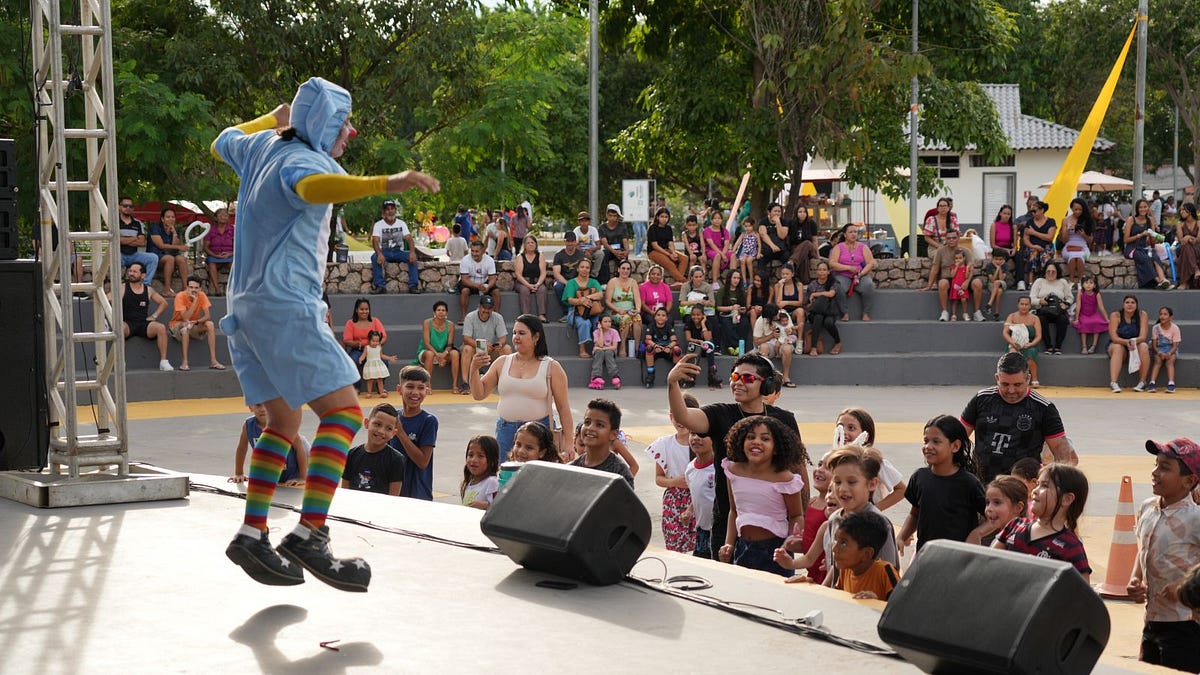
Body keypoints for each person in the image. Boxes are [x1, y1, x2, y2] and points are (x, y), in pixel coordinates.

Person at [214, 77, 439, 591]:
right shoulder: (306, 163)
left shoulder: (261, 145)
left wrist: (269, 121)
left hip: (243, 308)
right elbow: (312, 188)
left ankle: (252, 532)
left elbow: (221, 138)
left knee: (283, 422)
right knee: (343, 414)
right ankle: (311, 532)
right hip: (284, 304)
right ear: (319, 125)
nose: (351, 132)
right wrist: (384, 183)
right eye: (343, 122)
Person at [668, 352, 811, 559]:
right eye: (735, 377)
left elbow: (798, 471)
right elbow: (684, 416)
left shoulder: (784, 419)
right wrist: (672, 384)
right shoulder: (719, 414)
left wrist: (800, 522)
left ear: (766, 385)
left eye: (748, 378)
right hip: (728, 524)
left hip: (776, 530)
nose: (738, 383)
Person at [775, 445, 898, 585]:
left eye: (852, 482)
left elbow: (889, 575)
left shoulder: (879, 524)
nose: (843, 489)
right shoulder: (834, 520)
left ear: (872, 484)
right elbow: (835, 569)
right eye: (837, 482)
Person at [1127, 438, 1200, 672]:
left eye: (1165, 468)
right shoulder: (1147, 508)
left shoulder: (1195, 519)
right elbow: (1143, 549)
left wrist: (1183, 585)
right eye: (1156, 465)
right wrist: (1135, 579)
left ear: (1188, 481)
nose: (1155, 472)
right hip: (1151, 620)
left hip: (1185, 624)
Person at [470, 314, 573, 462]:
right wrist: (474, 369)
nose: (516, 337)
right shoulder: (502, 362)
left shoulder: (552, 366)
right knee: (506, 478)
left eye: (522, 333)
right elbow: (478, 394)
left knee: (537, 478)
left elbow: (563, 408)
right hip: (506, 431)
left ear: (536, 336)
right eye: (514, 333)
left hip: (539, 433)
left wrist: (569, 443)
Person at [959, 352, 1074, 482]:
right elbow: (957, 436)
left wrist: (1058, 483)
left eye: (1017, 385)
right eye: (1005, 384)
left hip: (1022, 488)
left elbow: (1060, 447)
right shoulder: (981, 399)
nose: (1011, 391)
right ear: (997, 378)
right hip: (980, 482)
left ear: (1028, 379)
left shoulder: (1044, 408)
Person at [716, 415, 805, 577]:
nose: (756, 442)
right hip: (743, 547)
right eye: (750, 437)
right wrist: (729, 543)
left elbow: (796, 515)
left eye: (765, 439)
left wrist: (790, 542)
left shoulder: (785, 478)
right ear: (741, 442)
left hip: (775, 550)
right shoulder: (733, 471)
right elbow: (734, 511)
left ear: (776, 448)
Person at [897, 415, 986, 555]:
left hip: (959, 559)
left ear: (955, 446)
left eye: (936, 442)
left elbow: (992, 517)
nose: (928, 447)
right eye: (926, 441)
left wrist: (977, 533)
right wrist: (901, 536)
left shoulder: (969, 483)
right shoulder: (919, 477)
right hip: (926, 556)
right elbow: (915, 514)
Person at [993, 464, 1091, 582]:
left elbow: (1083, 596)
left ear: (1067, 499)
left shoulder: (1071, 547)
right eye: (1037, 484)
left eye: (1044, 485)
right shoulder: (1014, 526)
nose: (1034, 490)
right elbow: (987, 562)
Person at [645, 393, 700, 553]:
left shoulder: (702, 443)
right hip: (673, 500)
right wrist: (675, 482)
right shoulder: (664, 445)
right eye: (677, 416)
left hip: (697, 498)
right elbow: (659, 478)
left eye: (685, 415)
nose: (681, 421)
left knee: (698, 543)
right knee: (674, 544)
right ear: (671, 417)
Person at [833, 407, 907, 512]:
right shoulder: (833, 459)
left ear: (866, 436)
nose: (844, 432)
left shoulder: (874, 462)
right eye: (840, 427)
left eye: (851, 428)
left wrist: (873, 510)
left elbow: (902, 490)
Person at [228, 403, 309, 487]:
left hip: (292, 473)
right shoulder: (248, 425)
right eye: (258, 405)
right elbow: (242, 449)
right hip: (268, 475)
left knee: (302, 442)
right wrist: (239, 473)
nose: (262, 409)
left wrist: (302, 477)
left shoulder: (284, 423)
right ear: (250, 407)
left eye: (266, 405)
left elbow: (299, 449)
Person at [389, 366, 439, 500]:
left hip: (418, 494)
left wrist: (400, 433)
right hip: (395, 492)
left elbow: (423, 462)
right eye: (410, 387)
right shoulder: (392, 418)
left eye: (421, 388)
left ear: (427, 391)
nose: (415, 392)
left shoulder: (428, 421)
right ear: (399, 389)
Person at [113, 261, 173, 371]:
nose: (131, 273)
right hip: (127, 324)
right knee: (120, 328)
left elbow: (164, 303)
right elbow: (106, 299)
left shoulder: (148, 290)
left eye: (135, 272)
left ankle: (164, 362)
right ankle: (120, 362)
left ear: (143, 275)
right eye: (130, 271)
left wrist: (154, 316)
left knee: (161, 328)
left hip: (143, 324)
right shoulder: (123, 287)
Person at [830, 511, 901, 601]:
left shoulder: (885, 571)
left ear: (866, 554)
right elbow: (836, 599)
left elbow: (902, 607)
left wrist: (876, 602)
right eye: (836, 541)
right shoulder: (845, 569)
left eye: (843, 544)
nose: (834, 549)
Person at [342, 403, 407, 496]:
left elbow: (393, 498)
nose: (381, 431)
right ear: (366, 423)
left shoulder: (396, 460)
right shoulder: (352, 455)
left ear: (394, 433)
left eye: (388, 428)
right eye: (377, 424)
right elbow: (345, 492)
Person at [570, 398, 635, 488]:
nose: (590, 428)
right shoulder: (572, 468)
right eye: (587, 422)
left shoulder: (619, 474)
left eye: (599, 425)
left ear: (613, 434)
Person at [923, 230, 984, 322]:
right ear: (946, 239)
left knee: (978, 283)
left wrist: (967, 282)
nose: (951, 240)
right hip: (949, 278)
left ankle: (977, 312)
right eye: (949, 238)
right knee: (942, 283)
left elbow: (970, 268)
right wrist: (928, 286)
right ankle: (944, 312)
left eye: (954, 238)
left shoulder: (966, 251)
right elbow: (935, 269)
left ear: (958, 238)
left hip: (964, 278)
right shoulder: (940, 251)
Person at [169, 275, 225, 371]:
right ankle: (185, 362)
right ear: (187, 287)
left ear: (200, 289)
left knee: (210, 324)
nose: (193, 290)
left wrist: (197, 321)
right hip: (177, 326)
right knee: (186, 325)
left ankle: (213, 361)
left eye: (196, 288)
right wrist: (194, 301)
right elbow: (185, 317)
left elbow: (208, 316)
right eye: (191, 287)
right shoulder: (180, 296)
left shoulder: (202, 295)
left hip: (193, 325)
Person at [369, 199, 421, 294]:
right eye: (387, 209)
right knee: (374, 257)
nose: (390, 211)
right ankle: (380, 286)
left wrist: (412, 252)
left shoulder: (401, 223)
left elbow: (409, 239)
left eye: (392, 208)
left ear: (395, 210)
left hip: (398, 252)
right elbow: (375, 241)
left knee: (413, 257)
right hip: (385, 252)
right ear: (384, 212)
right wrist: (379, 253)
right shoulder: (378, 225)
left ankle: (413, 285)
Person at [827, 224, 876, 321]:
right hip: (843, 275)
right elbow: (832, 263)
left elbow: (871, 263)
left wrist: (860, 274)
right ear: (845, 234)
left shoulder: (863, 247)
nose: (853, 234)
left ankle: (866, 313)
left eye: (855, 232)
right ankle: (844, 313)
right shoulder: (839, 247)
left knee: (869, 285)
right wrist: (848, 268)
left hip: (860, 275)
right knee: (838, 286)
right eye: (851, 232)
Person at [461, 295, 511, 386]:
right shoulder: (470, 317)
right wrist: (481, 345)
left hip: (491, 349)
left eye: (489, 308)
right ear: (479, 306)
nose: (486, 310)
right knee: (467, 349)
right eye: (484, 307)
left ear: (493, 308)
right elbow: (466, 339)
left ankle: (506, 380)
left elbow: (503, 338)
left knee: (506, 348)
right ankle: (465, 382)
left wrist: (499, 343)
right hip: (474, 349)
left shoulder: (498, 317)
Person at [1123, 199, 1173, 290]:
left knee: (1154, 255)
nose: (1143, 209)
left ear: (1148, 208)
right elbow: (1126, 240)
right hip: (1133, 248)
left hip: (1145, 247)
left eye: (1145, 207)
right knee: (1145, 258)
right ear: (1137, 209)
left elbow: (1152, 243)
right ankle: (1159, 281)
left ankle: (1163, 279)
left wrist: (1155, 239)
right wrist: (1140, 235)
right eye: (1140, 207)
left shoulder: (1150, 220)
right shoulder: (1131, 219)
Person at [966, 475, 1028, 547]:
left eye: (997, 502)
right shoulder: (1000, 538)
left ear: (1018, 508)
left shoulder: (1019, 539)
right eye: (987, 503)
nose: (989, 508)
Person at [1108, 294, 1151, 393]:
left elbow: (1143, 336)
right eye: (1127, 302)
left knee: (1144, 346)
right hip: (1119, 344)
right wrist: (1126, 342)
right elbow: (1114, 338)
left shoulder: (1142, 315)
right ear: (1123, 304)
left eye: (1132, 302)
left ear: (1137, 305)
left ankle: (1142, 382)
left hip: (1135, 344)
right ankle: (1113, 382)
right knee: (1118, 347)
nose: (1130, 305)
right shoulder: (1115, 315)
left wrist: (1133, 342)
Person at [416, 300, 460, 394]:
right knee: (430, 354)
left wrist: (444, 354)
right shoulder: (427, 323)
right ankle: (428, 385)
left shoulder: (451, 325)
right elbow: (427, 343)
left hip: (443, 353)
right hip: (427, 351)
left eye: (443, 310)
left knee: (455, 353)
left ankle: (455, 385)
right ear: (434, 312)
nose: (441, 312)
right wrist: (438, 355)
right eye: (438, 310)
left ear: (447, 313)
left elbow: (450, 344)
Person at [562, 258, 604, 359]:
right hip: (575, 312)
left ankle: (598, 348)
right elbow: (570, 299)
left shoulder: (593, 282)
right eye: (582, 267)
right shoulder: (571, 282)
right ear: (578, 269)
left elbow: (600, 294)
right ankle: (582, 349)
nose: (584, 269)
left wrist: (587, 298)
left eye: (587, 267)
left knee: (596, 324)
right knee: (585, 323)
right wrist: (580, 301)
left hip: (592, 311)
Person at [1029, 262, 1073, 355]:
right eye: (1048, 271)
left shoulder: (1062, 282)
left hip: (1058, 310)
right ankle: (1048, 346)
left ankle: (1058, 346)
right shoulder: (1039, 281)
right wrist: (1040, 301)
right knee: (1041, 319)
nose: (1051, 273)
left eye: (1053, 271)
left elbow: (1070, 297)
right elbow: (1031, 298)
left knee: (1063, 319)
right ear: (1045, 272)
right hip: (1043, 309)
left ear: (1057, 272)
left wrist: (1065, 304)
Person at [685, 430, 716, 559]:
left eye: (702, 435)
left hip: (719, 531)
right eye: (693, 434)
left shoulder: (719, 468)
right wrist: (689, 510)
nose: (696, 438)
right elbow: (697, 494)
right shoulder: (690, 468)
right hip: (702, 531)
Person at [751, 303, 797, 387]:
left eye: (778, 313)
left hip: (783, 343)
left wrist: (791, 332)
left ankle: (786, 378)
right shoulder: (761, 320)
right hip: (770, 345)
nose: (778, 317)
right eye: (775, 316)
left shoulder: (784, 315)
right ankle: (766, 378)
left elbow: (794, 331)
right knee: (763, 347)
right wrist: (771, 336)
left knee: (787, 349)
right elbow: (756, 341)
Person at [342, 298, 386, 385]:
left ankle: (380, 388)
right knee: (353, 361)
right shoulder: (350, 323)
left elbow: (383, 336)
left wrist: (375, 345)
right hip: (357, 350)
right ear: (356, 310)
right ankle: (356, 387)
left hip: (373, 350)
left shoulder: (375, 321)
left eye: (367, 309)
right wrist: (361, 344)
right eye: (362, 309)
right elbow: (347, 340)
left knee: (384, 362)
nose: (364, 311)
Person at [148, 206, 190, 296]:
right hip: (156, 255)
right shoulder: (155, 228)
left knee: (181, 259)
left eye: (173, 217)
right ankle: (167, 289)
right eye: (168, 217)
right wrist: (179, 247)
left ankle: (185, 288)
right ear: (162, 219)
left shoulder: (175, 230)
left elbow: (175, 244)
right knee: (170, 259)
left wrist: (174, 233)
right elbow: (161, 245)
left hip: (171, 254)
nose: (171, 219)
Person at [117, 197, 159, 284]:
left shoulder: (138, 223)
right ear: (119, 207)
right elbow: (117, 241)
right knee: (115, 259)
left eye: (130, 206)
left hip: (134, 255)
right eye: (125, 206)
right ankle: (118, 285)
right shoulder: (114, 222)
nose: (128, 208)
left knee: (153, 258)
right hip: (119, 254)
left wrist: (124, 240)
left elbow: (142, 242)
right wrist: (134, 238)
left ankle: (146, 285)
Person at [1003, 296, 1043, 386]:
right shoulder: (1012, 316)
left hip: (1030, 344)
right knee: (1013, 354)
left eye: (1026, 304)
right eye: (1022, 304)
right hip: (1014, 343)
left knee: (1030, 353)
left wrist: (1031, 344)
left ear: (1030, 306)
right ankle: (1013, 380)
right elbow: (1005, 332)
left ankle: (1034, 379)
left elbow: (1038, 336)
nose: (1024, 306)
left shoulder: (1035, 318)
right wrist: (1012, 343)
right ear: (1018, 305)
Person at [458, 239, 500, 323]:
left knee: (496, 292)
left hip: (484, 282)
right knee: (465, 291)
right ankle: (463, 317)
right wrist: (477, 286)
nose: (474, 254)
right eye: (472, 251)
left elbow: (492, 278)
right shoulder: (465, 260)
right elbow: (464, 279)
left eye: (477, 251)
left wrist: (488, 287)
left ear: (483, 251)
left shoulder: (489, 260)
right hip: (469, 282)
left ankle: (496, 318)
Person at [1018, 201, 1056, 288]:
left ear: (1042, 210)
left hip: (1046, 247)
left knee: (1045, 257)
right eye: (1031, 211)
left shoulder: (1050, 222)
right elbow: (1026, 238)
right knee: (1033, 255)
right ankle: (1031, 283)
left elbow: (1049, 237)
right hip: (1033, 246)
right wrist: (1033, 246)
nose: (1033, 213)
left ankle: (1046, 281)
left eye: (1034, 211)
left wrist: (1034, 232)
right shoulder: (1030, 222)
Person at [605, 259, 643, 346]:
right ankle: (622, 346)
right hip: (615, 310)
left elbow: (637, 299)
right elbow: (607, 301)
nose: (625, 271)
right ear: (618, 269)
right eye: (623, 268)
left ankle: (636, 348)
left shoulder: (633, 282)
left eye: (628, 269)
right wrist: (618, 310)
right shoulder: (612, 282)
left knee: (637, 318)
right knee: (625, 319)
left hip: (630, 310)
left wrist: (637, 309)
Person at [551, 230, 586, 319]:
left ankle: (581, 311)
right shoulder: (559, 255)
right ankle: (566, 312)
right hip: (564, 281)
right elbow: (556, 274)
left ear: (575, 242)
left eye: (572, 241)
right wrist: (568, 283)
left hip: (577, 280)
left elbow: (583, 270)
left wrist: (576, 282)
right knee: (557, 286)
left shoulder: (580, 254)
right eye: (568, 241)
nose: (570, 243)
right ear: (565, 242)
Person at [683, 305, 720, 389]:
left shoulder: (707, 323)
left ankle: (712, 375)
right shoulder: (689, 322)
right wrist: (699, 341)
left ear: (703, 315)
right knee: (692, 346)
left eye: (698, 315)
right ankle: (690, 378)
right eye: (693, 315)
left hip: (705, 348)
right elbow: (688, 339)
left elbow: (708, 338)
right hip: (695, 346)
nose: (695, 317)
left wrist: (703, 324)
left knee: (709, 345)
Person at [646, 208, 687, 283]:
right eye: (662, 216)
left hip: (666, 250)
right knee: (670, 264)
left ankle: (678, 282)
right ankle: (684, 281)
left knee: (684, 258)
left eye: (666, 217)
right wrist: (669, 255)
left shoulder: (668, 228)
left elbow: (670, 243)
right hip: (654, 251)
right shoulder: (652, 228)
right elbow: (655, 245)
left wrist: (673, 252)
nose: (664, 219)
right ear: (657, 217)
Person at [643, 307, 680, 388]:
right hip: (656, 349)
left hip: (667, 349)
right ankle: (650, 375)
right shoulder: (651, 325)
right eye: (658, 315)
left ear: (666, 318)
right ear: (655, 317)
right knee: (649, 348)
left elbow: (674, 341)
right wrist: (655, 346)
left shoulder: (669, 326)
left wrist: (669, 347)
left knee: (677, 350)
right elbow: (647, 340)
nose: (660, 317)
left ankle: (676, 375)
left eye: (663, 315)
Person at [1060, 198, 1095, 285]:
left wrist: (1083, 234)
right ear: (1071, 208)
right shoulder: (1065, 220)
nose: (1078, 212)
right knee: (1073, 256)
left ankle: (1080, 281)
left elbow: (1090, 240)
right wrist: (1068, 230)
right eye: (1076, 209)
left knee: (1079, 257)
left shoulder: (1087, 220)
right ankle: (1071, 281)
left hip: (1083, 247)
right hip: (1069, 247)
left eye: (1080, 210)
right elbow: (1064, 240)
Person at [1071, 274, 1108, 355]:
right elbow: (1078, 306)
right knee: (1084, 323)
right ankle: (1084, 346)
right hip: (1083, 314)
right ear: (1082, 284)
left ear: (1094, 285)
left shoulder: (1096, 294)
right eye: (1086, 283)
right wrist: (1076, 319)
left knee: (1097, 322)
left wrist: (1106, 319)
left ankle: (1093, 346)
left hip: (1093, 314)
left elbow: (1101, 307)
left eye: (1091, 283)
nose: (1088, 285)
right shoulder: (1080, 293)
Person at [514, 235, 548, 321]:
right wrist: (528, 285)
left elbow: (543, 273)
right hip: (523, 282)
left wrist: (538, 284)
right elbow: (518, 275)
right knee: (524, 290)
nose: (530, 244)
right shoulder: (520, 256)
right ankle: (526, 316)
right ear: (524, 245)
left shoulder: (540, 255)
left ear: (536, 244)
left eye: (532, 242)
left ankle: (541, 315)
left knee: (542, 289)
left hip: (537, 281)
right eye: (528, 243)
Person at [461, 435, 500, 510]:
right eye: (470, 455)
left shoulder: (492, 482)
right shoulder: (469, 482)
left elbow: (499, 509)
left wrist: (487, 506)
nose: (474, 460)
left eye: (480, 456)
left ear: (492, 461)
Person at [1147, 306, 1181, 393]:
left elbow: (1175, 346)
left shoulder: (1175, 328)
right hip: (1159, 349)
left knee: (1169, 361)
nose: (1162, 316)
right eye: (1161, 314)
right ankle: (1152, 383)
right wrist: (1159, 353)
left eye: (1165, 314)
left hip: (1171, 349)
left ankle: (1171, 384)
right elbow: (1154, 345)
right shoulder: (1156, 328)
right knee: (1158, 361)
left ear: (1171, 317)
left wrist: (1169, 353)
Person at [714, 268, 748, 353]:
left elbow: (744, 306)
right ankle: (735, 346)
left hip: (738, 314)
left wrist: (742, 310)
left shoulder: (742, 291)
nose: (736, 280)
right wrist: (731, 308)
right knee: (727, 323)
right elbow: (718, 307)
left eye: (738, 278)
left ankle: (739, 346)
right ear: (730, 278)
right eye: (734, 278)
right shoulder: (722, 290)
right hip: (725, 313)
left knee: (744, 323)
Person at [203, 207, 234, 296]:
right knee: (211, 263)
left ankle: (233, 288)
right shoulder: (211, 230)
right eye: (220, 215)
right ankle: (217, 289)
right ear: (216, 218)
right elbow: (206, 248)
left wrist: (230, 254)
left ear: (228, 217)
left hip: (230, 255)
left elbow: (238, 246)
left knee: (234, 265)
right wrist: (216, 256)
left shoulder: (233, 230)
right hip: (214, 255)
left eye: (225, 215)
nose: (223, 217)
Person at [756, 203, 791, 280]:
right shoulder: (763, 221)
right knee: (761, 260)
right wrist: (772, 246)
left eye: (779, 211)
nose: (777, 213)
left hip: (781, 250)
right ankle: (763, 281)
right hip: (768, 249)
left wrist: (778, 223)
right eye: (775, 211)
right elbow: (763, 234)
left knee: (787, 258)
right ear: (769, 212)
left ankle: (787, 279)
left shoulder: (784, 222)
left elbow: (782, 236)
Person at [358, 330, 397, 398]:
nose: (375, 343)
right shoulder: (367, 348)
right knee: (370, 379)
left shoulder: (379, 347)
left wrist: (389, 358)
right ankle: (369, 392)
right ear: (369, 340)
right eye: (373, 341)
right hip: (370, 365)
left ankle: (381, 392)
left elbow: (382, 356)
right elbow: (364, 355)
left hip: (378, 365)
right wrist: (361, 359)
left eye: (377, 341)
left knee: (380, 379)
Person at [596, 204, 629, 284]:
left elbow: (625, 240)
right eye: (610, 215)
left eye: (614, 216)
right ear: (607, 215)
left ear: (617, 216)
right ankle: (604, 282)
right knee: (603, 255)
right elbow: (605, 243)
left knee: (623, 259)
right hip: (608, 249)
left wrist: (626, 251)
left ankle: (622, 279)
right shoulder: (602, 227)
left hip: (620, 249)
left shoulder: (622, 226)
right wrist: (614, 252)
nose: (612, 218)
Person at [787, 205, 820, 284]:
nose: (802, 214)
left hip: (810, 248)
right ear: (796, 213)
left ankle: (792, 261)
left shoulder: (811, 223)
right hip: (796, 249)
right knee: (804, 257)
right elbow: (788, 239)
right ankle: (805, 281)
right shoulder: (791, 223)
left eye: (804, 212)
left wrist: (817, 254)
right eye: (800, 212)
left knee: (807, 243)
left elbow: (814, 240)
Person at [589, 314, 621, 390]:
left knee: (608, 352)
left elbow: (614, 347)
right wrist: (600, 331)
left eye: (609, 321)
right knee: (599, 352)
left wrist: (603, 349)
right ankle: (596, 377)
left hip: (610, 351)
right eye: (605, 321)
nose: (608, 324)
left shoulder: (614, 332)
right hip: (599, 351)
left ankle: (615, 376)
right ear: (600, 323)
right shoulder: (596, 332)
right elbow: (600, 345)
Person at [770, 263, 805, 328]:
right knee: (781, 312)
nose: (784, 276)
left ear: (792, 274)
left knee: (800, 311)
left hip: (794, 311)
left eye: (787, 274)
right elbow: (778, 304)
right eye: (783, 274)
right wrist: (781, 286)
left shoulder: (799, 285)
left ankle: (800, 337)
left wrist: (787, 302)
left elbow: (800, 303)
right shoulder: (777, 286)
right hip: (782, 312)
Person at [1174, 203, 1200, 289]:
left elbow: (1198, 240)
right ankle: (1195, 269)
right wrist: (1188, 239)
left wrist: (1189, 237)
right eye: (1180, 210)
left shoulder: (1199, 223)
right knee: (1186, 246)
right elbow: (1181, 240)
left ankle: (1184, 283)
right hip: (1182, 247)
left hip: (1197, 248)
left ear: (1190, 211)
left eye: (1183, 210)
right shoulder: (1180, 224)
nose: (1181, 212)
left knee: (1187, 248)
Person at [982, 248, 1012, 321]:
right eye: (996, 259)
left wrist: (1000, 268)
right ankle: (996, 313)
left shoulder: (1005, 266)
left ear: (1004, 259)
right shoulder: (989, 266)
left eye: (1000, 259)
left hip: (1003, 283)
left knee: (997, 282)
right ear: (993, 258)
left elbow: (1001, 279)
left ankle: (989, 303)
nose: (998, 261)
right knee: (999, 291)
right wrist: (997, 269)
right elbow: (992, 280)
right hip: (991, 284)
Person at [702, 210, 732, 283]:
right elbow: (711, 244)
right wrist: (722, 255)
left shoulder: (725, 231)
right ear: (711, 220)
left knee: (733, 255)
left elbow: (727, 244)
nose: (717, 220)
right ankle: (715, 281)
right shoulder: (707, 230)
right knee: (717, 255)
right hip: (711, 250)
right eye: (715, 218)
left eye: (719, 218)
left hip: (723, 250)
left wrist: (723, 254)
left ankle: (731, 279)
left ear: (721, 220)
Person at [730, 216, 761, 287]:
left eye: (749, 226)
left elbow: (759, 244)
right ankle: (744, 280)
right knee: (742, 261)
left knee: (749, 261)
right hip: (744, 252)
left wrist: (759, 253)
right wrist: (733, 250)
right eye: (746, 226)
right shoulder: (743, 234)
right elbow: (737, 243)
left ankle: (751, 279)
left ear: (753, 225)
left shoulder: (756, 234)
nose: (747, 228)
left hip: (752, 252)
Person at [947, 249, 971, 322]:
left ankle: (965, 313)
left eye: (960, 258)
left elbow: (967, 277)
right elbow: (952, 275)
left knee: (964, 299)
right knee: (955, 301)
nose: (958, 260)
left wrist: (967, 268)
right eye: (956, 258)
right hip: (955, 287)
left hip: (963, 287)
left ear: (964, 258)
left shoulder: (966, 267)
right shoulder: (953, 267)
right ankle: (954, 315)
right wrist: (956, 267)